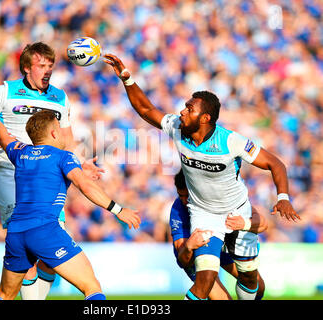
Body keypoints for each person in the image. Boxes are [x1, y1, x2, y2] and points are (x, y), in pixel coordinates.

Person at [103, 53, 300, 300]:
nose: (182, 111)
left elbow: (275, 163)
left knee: (251, 279)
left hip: (236, 211)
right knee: (205, 280)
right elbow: (145, 109)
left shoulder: (230, 141)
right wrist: (127, 78)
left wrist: (283, 197)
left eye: (189, 108)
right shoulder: (177, 127)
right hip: (203, 213)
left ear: (205, 118)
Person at [0, 42, 103, 299]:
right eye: (41, 65)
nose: (47, 70)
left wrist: (80, 164)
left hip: (47, 177)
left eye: (50, 65)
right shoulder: (5, 91)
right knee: (27, 246)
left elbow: (67, 141)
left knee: (50, 252)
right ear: (26, 68)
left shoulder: (60, 97)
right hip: (11, 172)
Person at [0, 89, 141, 300]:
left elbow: (1, 134)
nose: (64, 134)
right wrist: (118, 210)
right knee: (91, 287)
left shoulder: (20, 152)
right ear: (54, 133)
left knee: (4, 295)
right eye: (60, 129)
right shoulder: (63, 157)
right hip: (45, 229)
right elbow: (86, 186)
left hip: (16, 233)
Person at [171, 169, 267, 300]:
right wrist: (188, 246)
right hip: (196, 253)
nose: (184, 201)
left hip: (223, 247)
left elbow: (263, 224)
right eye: (180, 196)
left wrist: (244, 223)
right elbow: (182, 261)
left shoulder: (221, 198)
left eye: (187, 196)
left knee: (257, 286)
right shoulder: (178, 210)